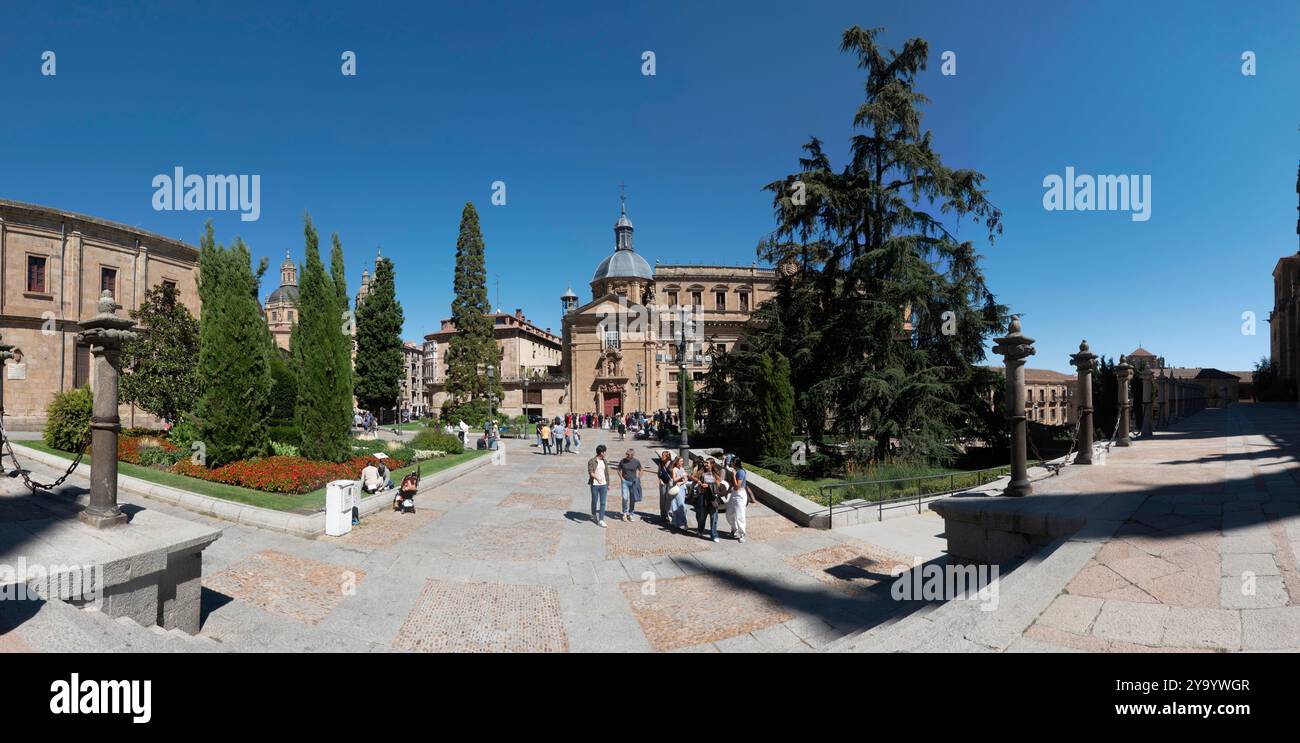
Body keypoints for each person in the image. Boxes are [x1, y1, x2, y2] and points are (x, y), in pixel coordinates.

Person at [694, 458, 721, 542]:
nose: (705, 465)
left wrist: (708, 485)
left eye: (707, 463)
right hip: (703, 497)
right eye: (705, 463)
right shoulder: (701, 472)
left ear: (712, 464)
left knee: (714, 518)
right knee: (702, 517)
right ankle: (700, 531)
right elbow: (693, 476)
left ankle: (714, 535)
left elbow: (718, 484)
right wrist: (698, 481)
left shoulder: (715, 474)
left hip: (713, 498)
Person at [725, 456, 751, 542]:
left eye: (731, 462)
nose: (730, 463)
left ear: (735, 463)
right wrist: (726, 492)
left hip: (740, 494)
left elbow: (737, 487)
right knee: (729, 513)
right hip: (734, 493)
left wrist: (733, 475)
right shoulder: (736, 471)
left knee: (740, 515)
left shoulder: (740, 472)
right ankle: (734, 529)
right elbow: (732, 484)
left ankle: (742, 534)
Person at [616, 448, 643, 522]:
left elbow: (641, 469)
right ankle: (624, 513)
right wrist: (622, 478)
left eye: (628, 454)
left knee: (632, 499)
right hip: (625, 482)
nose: (626, 455)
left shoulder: (636, 461)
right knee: (625, 497)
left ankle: (631, 514)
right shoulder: (622, 461)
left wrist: (638, 478)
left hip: (633, 482)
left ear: (632, 455)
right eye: (626, 454)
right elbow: (618, 470)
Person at [587, 444, 609, 528]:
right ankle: (593, 514)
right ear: (600, 452)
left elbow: (606, 473)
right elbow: (590, 472)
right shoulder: (592, 461)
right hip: (595, 485)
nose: (605, 453)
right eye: (604, 452)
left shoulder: (605, 461)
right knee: (594, 501)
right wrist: (597, 478)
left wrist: (608, 483)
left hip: (603, 485)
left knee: (603, 503)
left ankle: (601, 520)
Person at [668, 456, 690, 531]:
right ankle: (684, 523)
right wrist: (682, 476)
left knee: (679, 505)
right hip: (677, 489)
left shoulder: (682, 468)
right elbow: (674, 479)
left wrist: (683, 481)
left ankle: (676, 522)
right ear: (677, 462)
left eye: (682, 461)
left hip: (682, 488)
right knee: (681, 506)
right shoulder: (675, 469)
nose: (682, 463)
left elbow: (686, 478)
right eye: (680, 461)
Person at [655, 450, 673, 523]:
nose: (661, 457)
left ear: (667, 457)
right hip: (662, 482)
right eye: (661, 455)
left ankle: (669, 515)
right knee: (662, 498)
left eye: (663, 456)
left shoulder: (672, 463)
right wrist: (660, 480)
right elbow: (658, 473)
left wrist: (672, 480)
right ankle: (663, 515)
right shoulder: (661, 463)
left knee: (669, 499)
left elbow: (674, 473)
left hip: (670, 483)